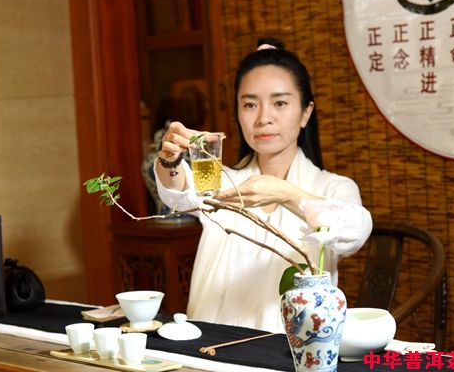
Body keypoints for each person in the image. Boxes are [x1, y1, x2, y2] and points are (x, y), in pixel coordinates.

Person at [154, 37, 373, 333]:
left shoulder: (332, 187)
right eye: (249, 104)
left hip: (288, 352)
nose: (263, 118)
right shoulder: (222, 181)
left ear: (306, 112)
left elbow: (355, 230)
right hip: (207, 346)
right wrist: (170, 161)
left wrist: (282, 192)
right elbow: (179, 193)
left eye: (280, 103)